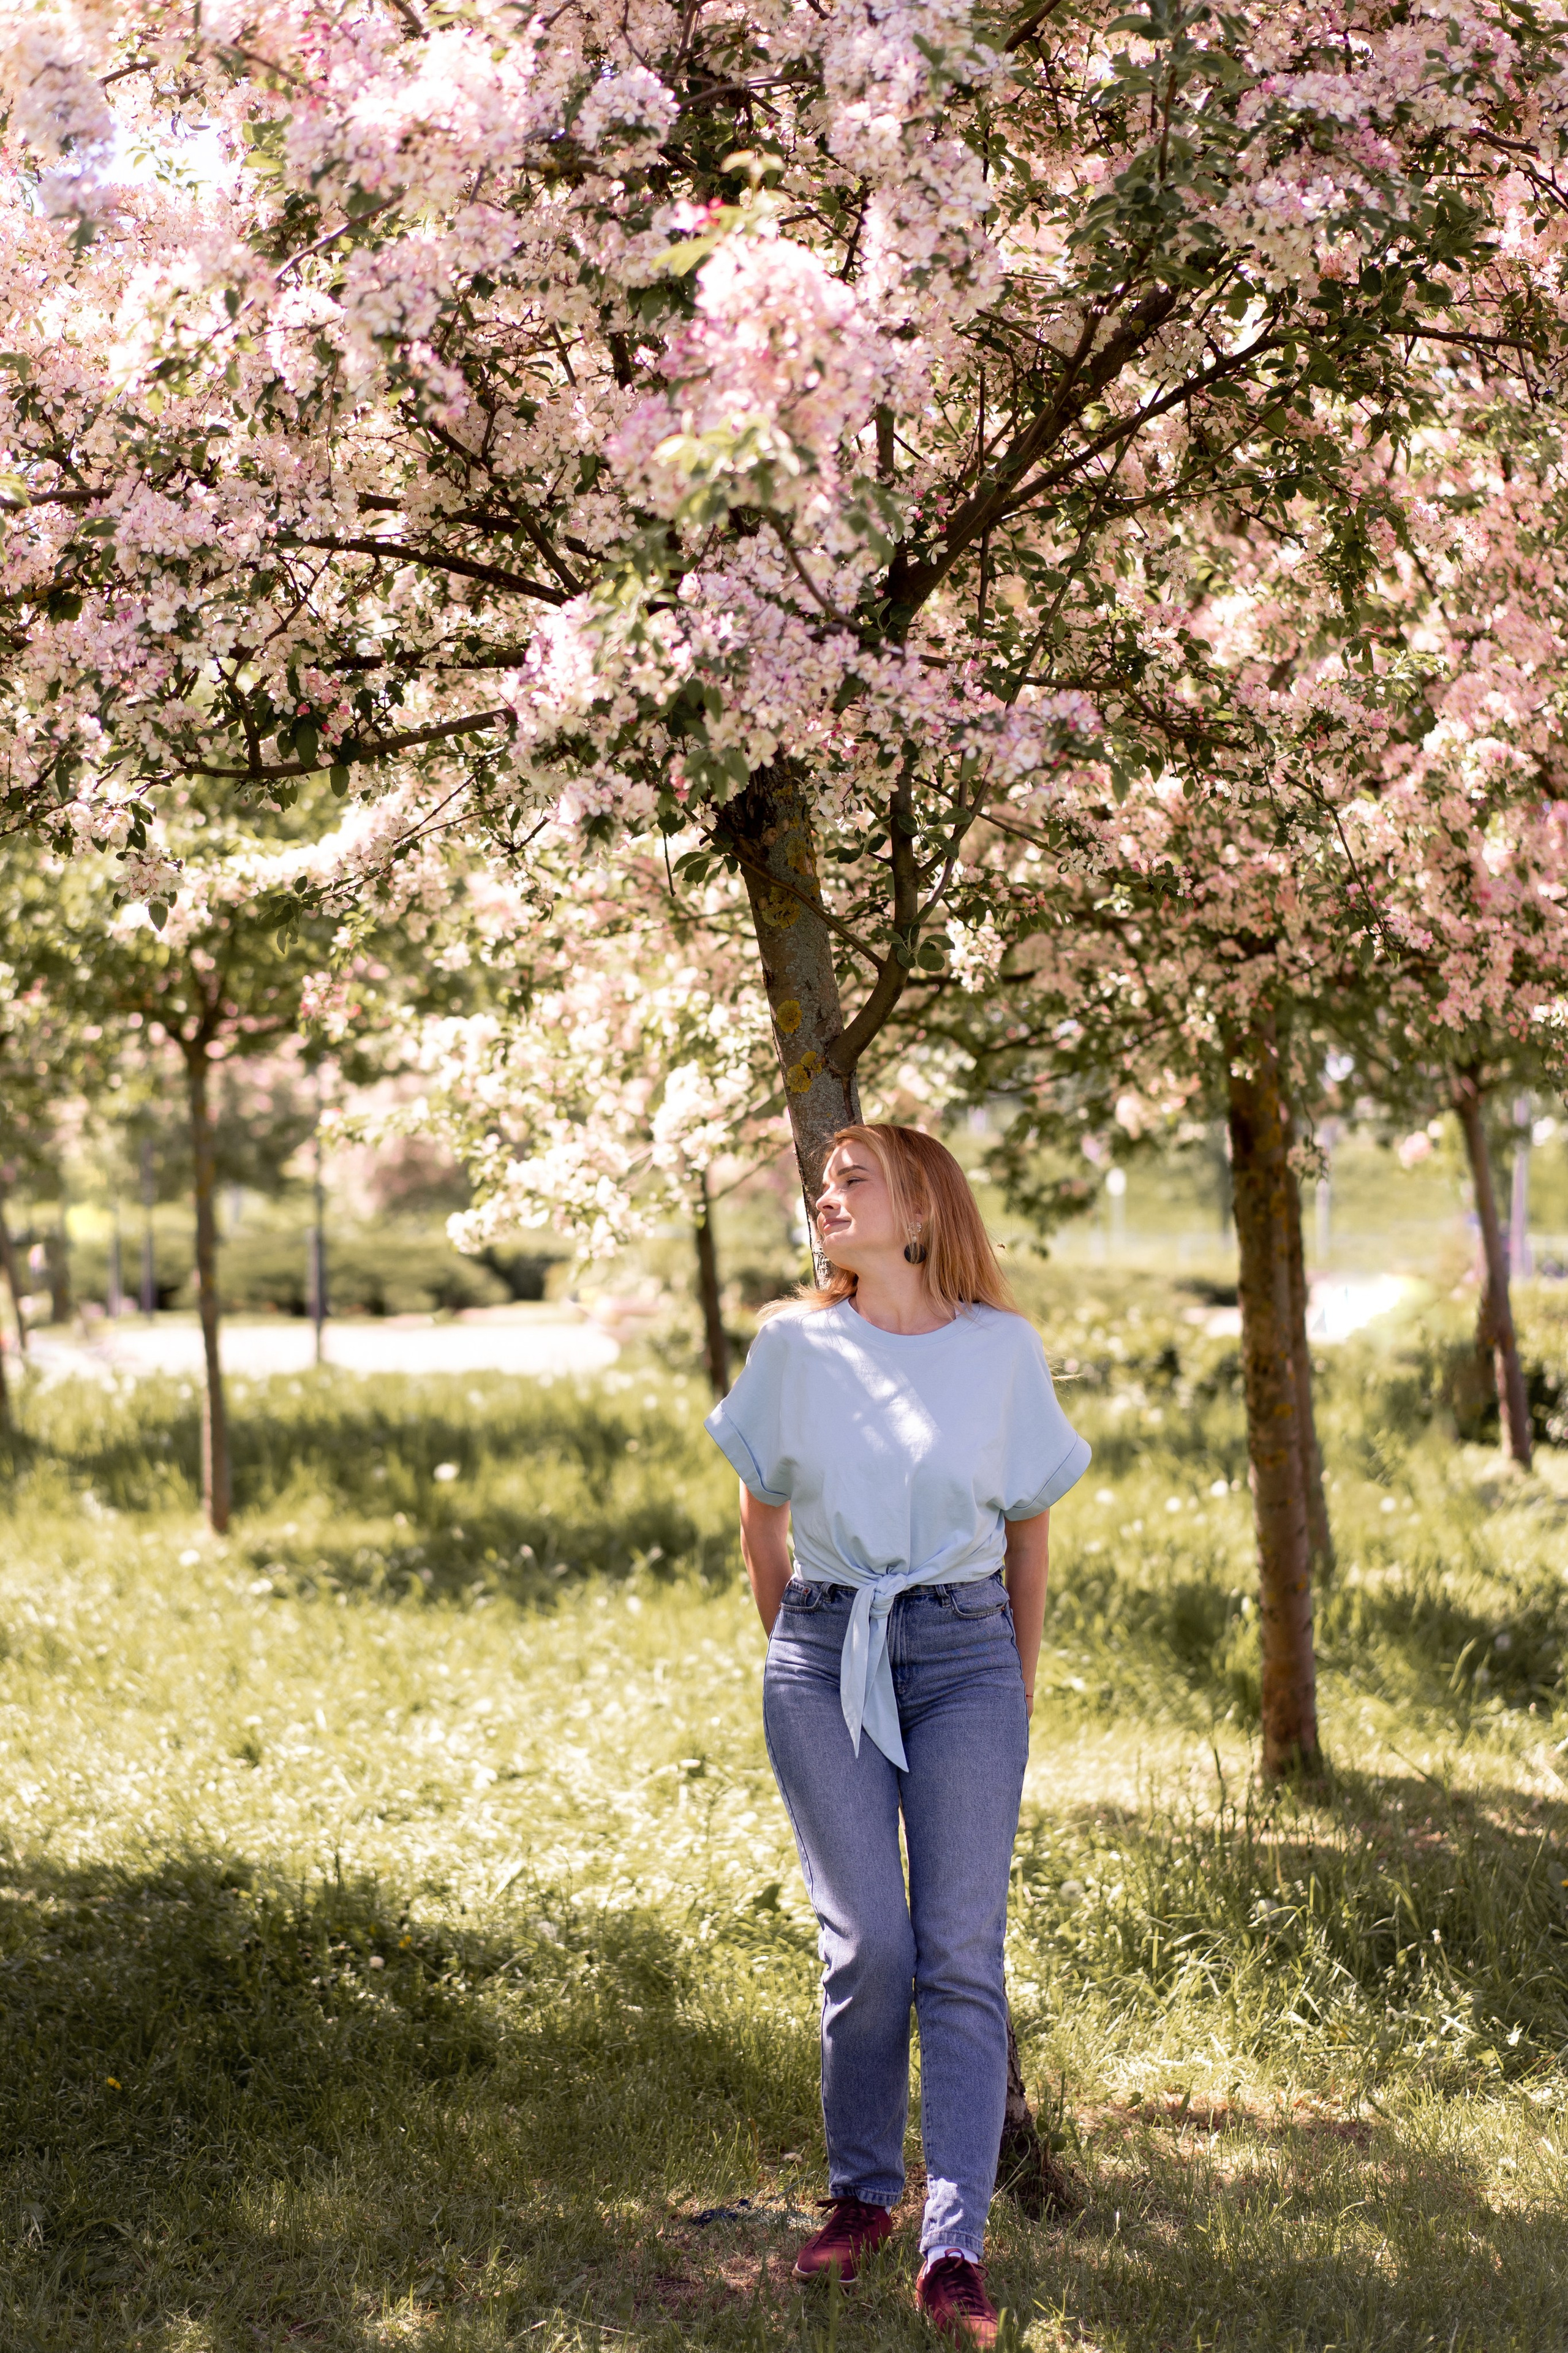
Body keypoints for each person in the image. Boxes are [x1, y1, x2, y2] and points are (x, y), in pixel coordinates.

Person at [704, 1123, 1089, 2346]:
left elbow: (1028, 1531)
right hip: (825, 1654)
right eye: (819, 1184)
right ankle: (863, 2193)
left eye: (851, 1179)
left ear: (917, 1204)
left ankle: (954, 2245)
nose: (825, 1197)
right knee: (870, 1941)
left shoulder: (1000, 1350)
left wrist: (1011, 1690)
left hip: (970, 1659)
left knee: (960, 1951)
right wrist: (800, 1651)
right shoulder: (791, 1345)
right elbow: (761, 1522)